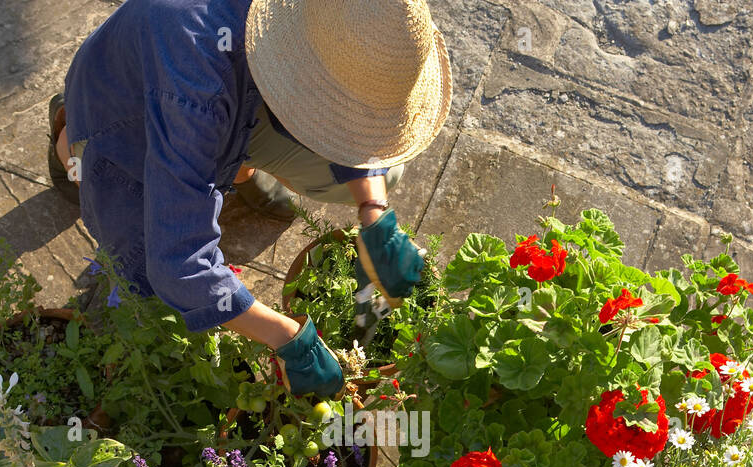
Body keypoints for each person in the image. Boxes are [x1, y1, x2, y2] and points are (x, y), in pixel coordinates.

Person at [48, 0, 452, 397]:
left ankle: (234, 165)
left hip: (228, 89)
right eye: (339, 113)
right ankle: (69, 140)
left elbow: (360, 126)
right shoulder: (196, 85)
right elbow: (177, 263)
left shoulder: (327, 24)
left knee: (382, 170)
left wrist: (374, 212)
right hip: (125, 116)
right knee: (137, 250)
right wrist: (289, 337)